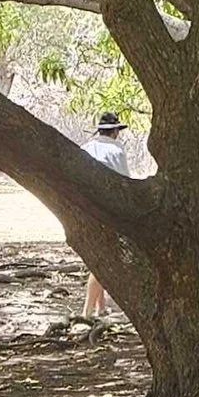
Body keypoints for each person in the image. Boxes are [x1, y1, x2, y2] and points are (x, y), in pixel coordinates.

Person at [77, 107, 150, 319]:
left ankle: (100, 308)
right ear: (115, 131)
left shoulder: (85, 148)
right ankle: (87, 313)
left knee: (99, 256)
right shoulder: (117, 151)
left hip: (85, 206)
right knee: (101, 262)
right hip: (107, 209)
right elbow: (124, 181)